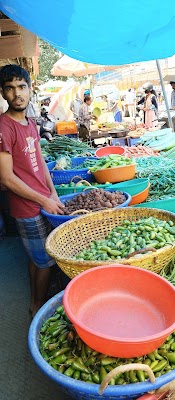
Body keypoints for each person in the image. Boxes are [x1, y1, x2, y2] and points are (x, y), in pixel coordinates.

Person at [0, 64, 65, 317]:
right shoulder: (4, 127)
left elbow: (40, 163)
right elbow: (6, 178)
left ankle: (36, 298)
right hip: (27, 207)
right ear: (3, 94)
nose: (17, 93)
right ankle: (37, 307)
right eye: (10, 88)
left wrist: (53, 194)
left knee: (37, 257)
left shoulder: (30, 122)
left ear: (30, 89)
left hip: (41, 200)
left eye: (21, 87)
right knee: (46, 260)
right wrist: (43, 200)